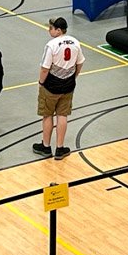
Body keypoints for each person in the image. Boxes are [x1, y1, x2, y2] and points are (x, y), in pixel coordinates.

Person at [34, 18, 84, 160]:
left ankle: (46, 146)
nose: (49, 30)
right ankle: (60, 148)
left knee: (47, 114)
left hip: (51, 86)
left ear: (58, 30)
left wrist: (41, 83)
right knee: (62, 115)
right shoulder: (76, 42)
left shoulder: (51, 45)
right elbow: (80, 63)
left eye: (51, 28)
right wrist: (73, 77)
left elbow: (45, 68)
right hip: (68, 85)